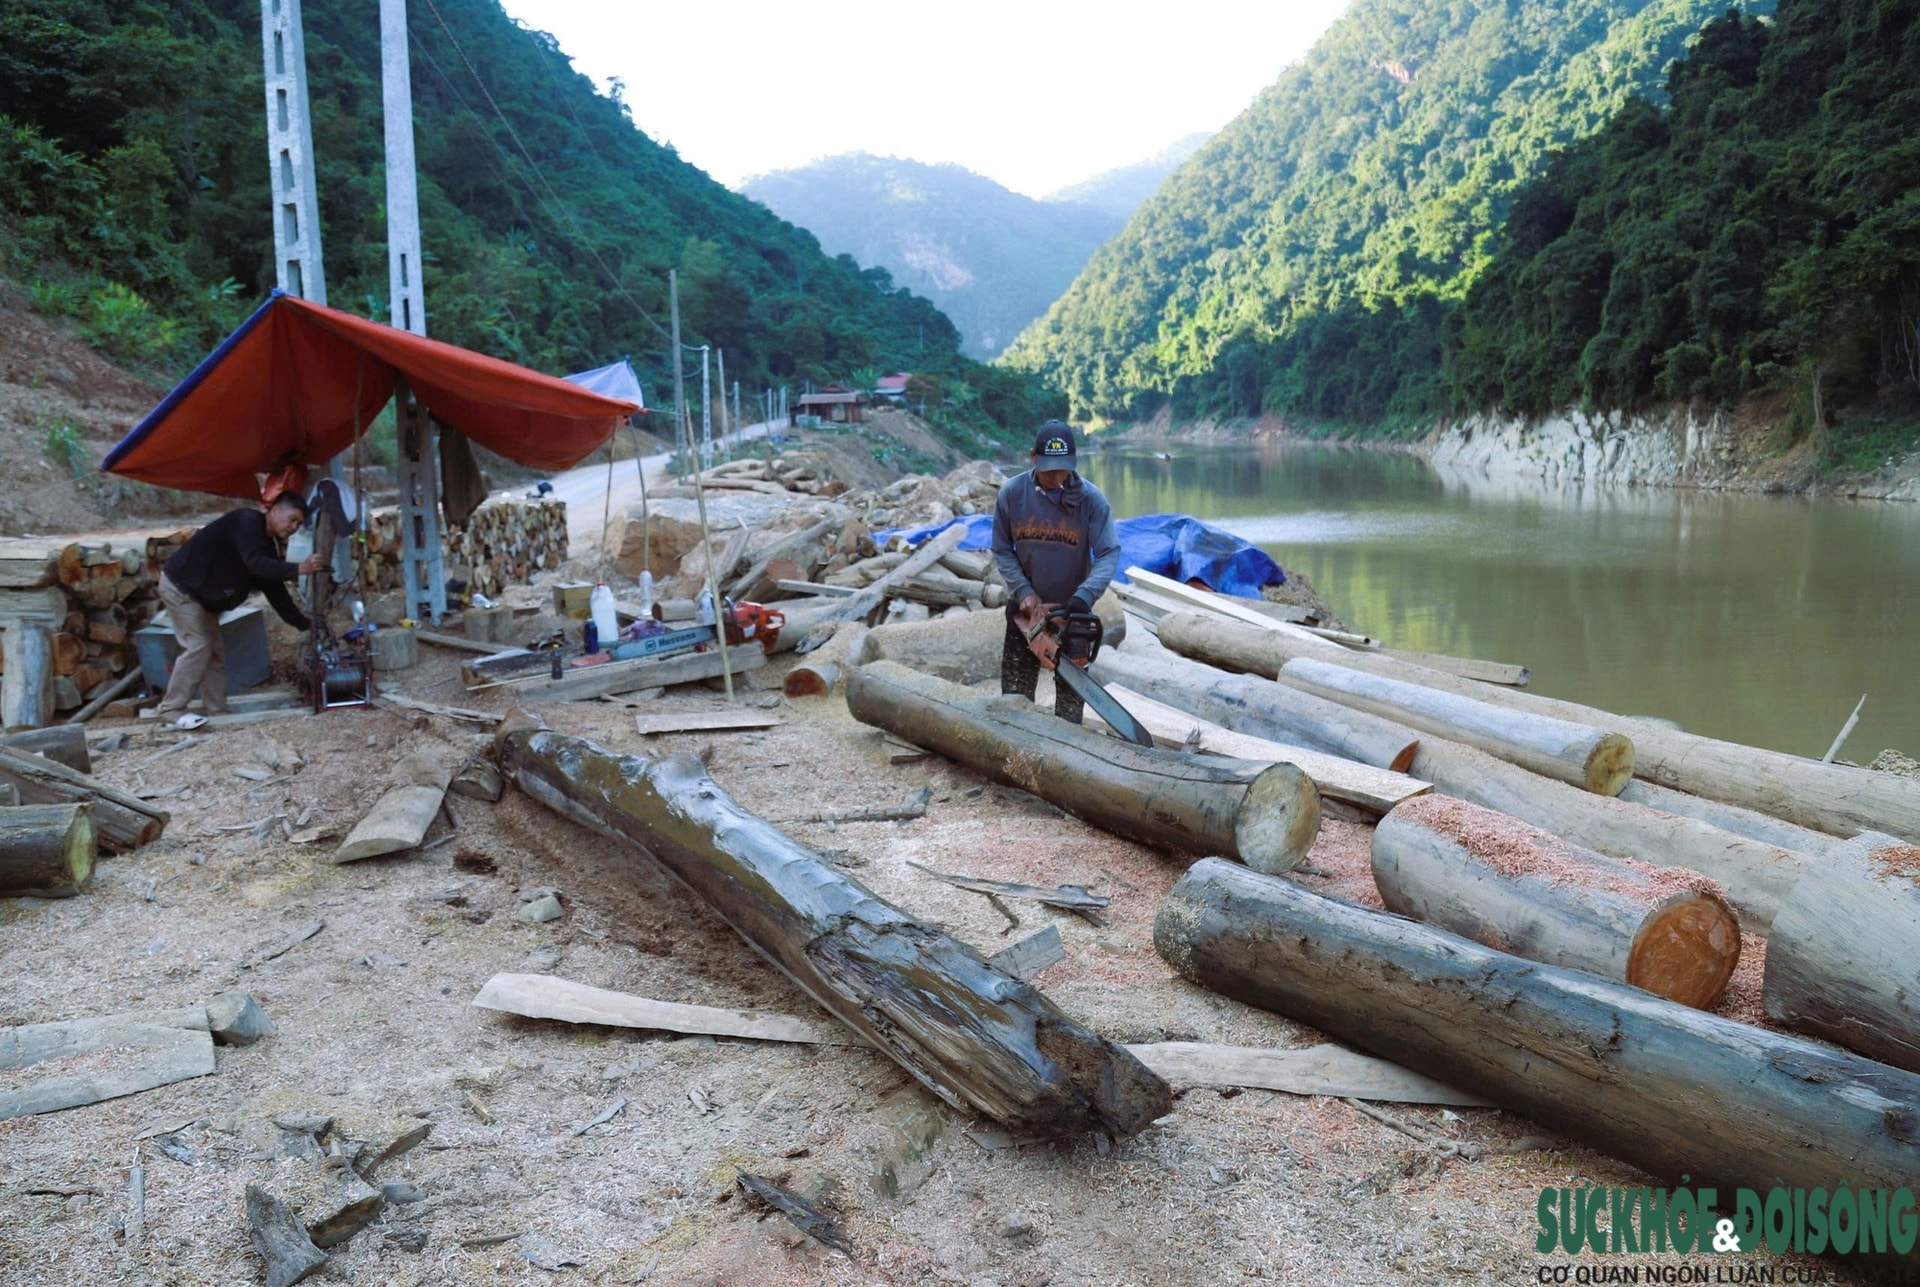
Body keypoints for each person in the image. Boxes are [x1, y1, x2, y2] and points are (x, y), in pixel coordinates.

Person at [154, 492, 324, 728]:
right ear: (274, 510)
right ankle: (171, 708)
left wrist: (303, 623)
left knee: (214, 654)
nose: (294, 527)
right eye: (292, 519)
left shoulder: (265, 547)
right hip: (181, 587)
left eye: (298, 523)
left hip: (204, 598)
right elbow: (255, 563)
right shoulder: (247, 522)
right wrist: (298, 569)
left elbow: (276, 592)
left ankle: (217, 710)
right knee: (198, 645)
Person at [989, 420, 1121, 724]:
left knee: (1070, 708)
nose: (1056, 477)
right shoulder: (1012, 494)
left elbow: (1108, 552)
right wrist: (1023, 591)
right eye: (1049, 469)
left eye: (1063, 469)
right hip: (1025, 615)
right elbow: (1001, 548)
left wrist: (1084, 596)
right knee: (1015, 698)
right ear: (1033, 457)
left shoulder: (1090, 500)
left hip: (1072, 613)